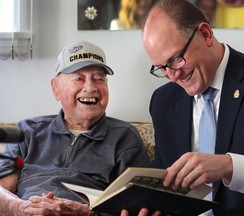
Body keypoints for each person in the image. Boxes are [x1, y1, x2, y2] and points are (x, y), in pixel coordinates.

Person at [124, 0, 244, 215]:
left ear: (206, 34)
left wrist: (229, 166)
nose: (173, 76)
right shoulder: (163, 101)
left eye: (176, 59)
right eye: (162, 68)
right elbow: (165, 174)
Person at [0, 40, 150, 215]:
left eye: (99, 78)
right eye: (79, 78)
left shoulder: (124, 137)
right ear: (56, 88)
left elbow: (140, 205)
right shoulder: (27, 130)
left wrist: (89, 213)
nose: (90, 87)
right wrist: (19, 208)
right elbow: (2, 188)